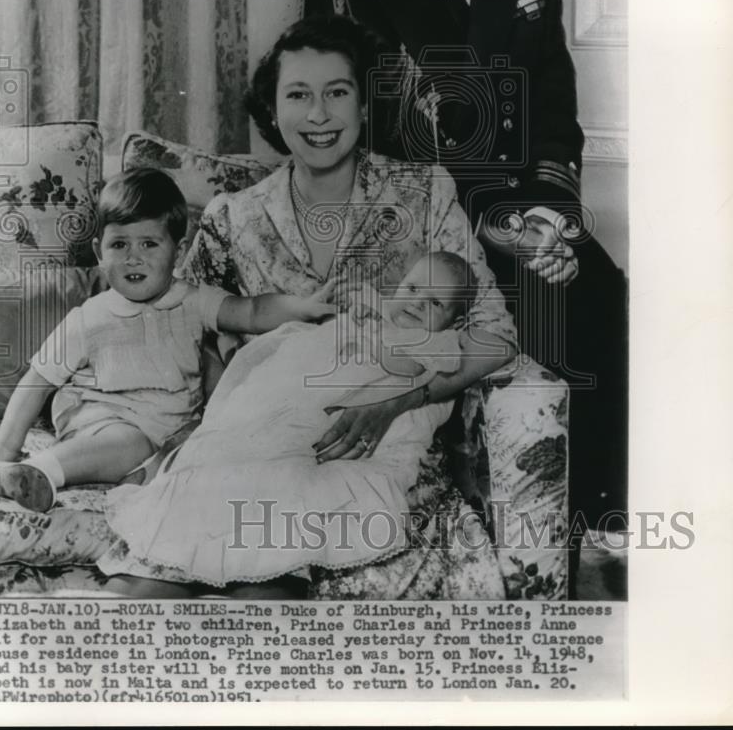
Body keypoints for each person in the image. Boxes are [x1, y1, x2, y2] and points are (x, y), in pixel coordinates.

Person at [97, 15, 569, 599]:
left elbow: (496, 336)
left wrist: (402, 400)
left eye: (337, 93)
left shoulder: (425, 193)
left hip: (368, 473)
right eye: (298, 95)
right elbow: (182, 331)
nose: (318, 115)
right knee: (138, 599)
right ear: (272, 111)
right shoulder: (234, 215)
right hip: (249, 457)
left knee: (260, 602)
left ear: (364, 105)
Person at [303, 0, 628, 538]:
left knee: (596, 290)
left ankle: (595, 521)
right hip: (416, 229)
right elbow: (357, 146)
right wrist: (488, 227)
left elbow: (552, 112)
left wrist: (548, 215)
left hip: (522, 210)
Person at [99, 251, 477, 589]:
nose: (415, 304)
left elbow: (401, 362)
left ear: (454, 323)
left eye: (434, 303)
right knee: (244, 436)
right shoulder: (370, 319)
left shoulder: (436, 347)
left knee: (280, 493)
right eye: (412, 290)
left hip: (322, 442)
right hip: (289, 407)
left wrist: (371, 327)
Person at [0, 168, 337, 512]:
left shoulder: (195, 300)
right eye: (120, 244)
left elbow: (252, 312)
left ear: (178, 253)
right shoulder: (89, 319)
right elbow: (38, 381)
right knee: (129, 443)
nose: (134, 257)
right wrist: (7, 446)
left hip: (172, 427)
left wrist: (302, 307)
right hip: (101, 415)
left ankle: (129, 477)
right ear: (100, 254)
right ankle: (40, 471)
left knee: (217, 453)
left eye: (149, 243)